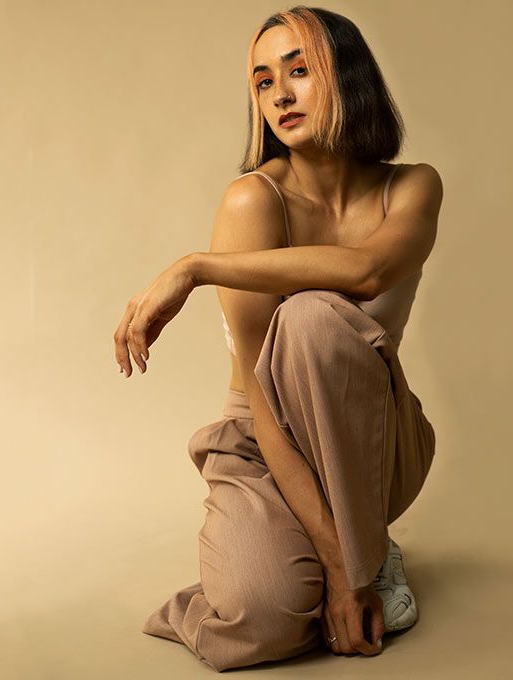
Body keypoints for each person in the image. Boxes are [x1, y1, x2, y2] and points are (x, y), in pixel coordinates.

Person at [114, 4, 442, 673]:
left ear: (348, 77)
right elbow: (263, 400)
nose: (280, 95)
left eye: (299, 70)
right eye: (263, 82)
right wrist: (338, 569)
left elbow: (368, 270)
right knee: (262, 621)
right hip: (265, 442)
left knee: (313, 315)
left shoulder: (411, 187)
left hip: (374, 437)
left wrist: (196, 267)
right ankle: (341, 558)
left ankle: (364, 548)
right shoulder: (254, 201)